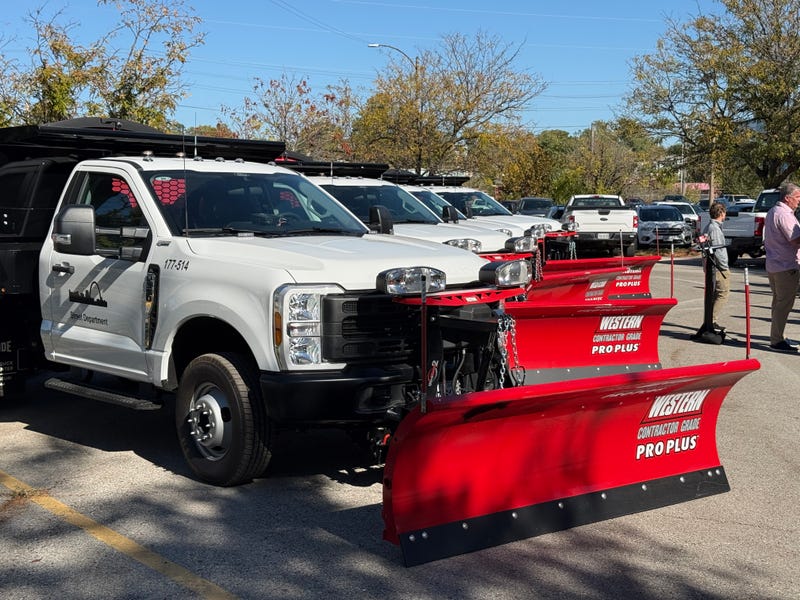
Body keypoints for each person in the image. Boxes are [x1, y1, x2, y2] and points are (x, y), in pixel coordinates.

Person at [763, 182, 800, 353]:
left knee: (778, 302)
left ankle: (778, 336)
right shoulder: (784, 215)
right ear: (787, 198)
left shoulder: (772, 211)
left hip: (774, 264)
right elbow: (794, 239)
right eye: (797, 197)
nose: (799, 201)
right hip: (785, 265)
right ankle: (776, 340)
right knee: (784, 304)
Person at [704, 202, 729, 330]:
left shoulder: (711, 227)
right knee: (723, 293)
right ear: (721, 213)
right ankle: (711, 320)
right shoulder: (714, 229)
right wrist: (724, 266)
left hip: (714, 267)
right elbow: (718, 250)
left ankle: (710, 320)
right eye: (724, 212)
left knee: (716, 293)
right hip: (718, 268)